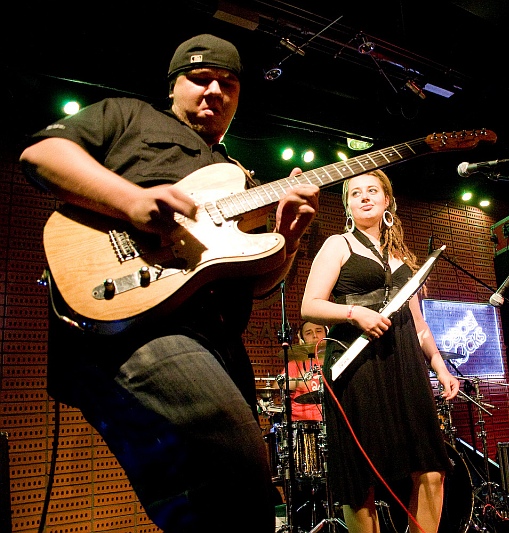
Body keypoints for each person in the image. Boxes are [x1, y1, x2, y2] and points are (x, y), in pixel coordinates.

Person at [19, 34, 319, 532]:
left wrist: (286, 239)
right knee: (232, 463)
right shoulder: (128, 115)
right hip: (136, 321)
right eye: (200, 80)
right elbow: (41, 156)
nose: (215, 92)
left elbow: (258, 285)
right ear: (174, 84)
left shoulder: (235, 173)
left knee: (236, 498)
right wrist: (131, 202)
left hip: (217, 341)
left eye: (228, 84)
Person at [300, 169, 460, 533]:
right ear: (347, 205)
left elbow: (418, 325)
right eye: (356, 193)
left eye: (372, 191)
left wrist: (439, 366)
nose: (365, 197)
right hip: (357, 367)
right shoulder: (337, 245)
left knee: (431, 467)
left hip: (405, 366)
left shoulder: (403, 258)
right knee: (361, 477)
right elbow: (310, 305)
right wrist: (354, 313)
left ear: (387, 200)